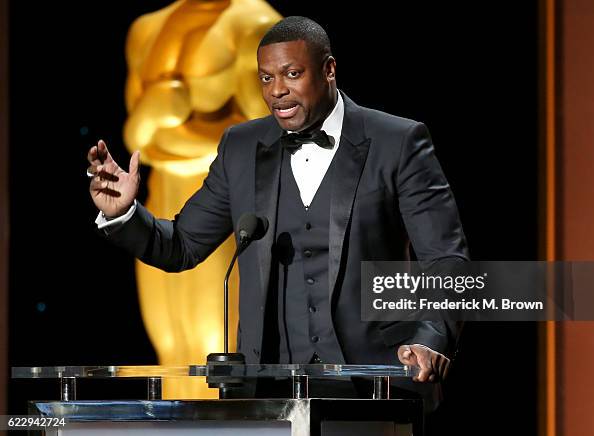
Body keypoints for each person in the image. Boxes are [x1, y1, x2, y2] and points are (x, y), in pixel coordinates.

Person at [87, 16, 468, 410]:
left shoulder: (397, 141)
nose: (278, 91)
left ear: (329, 69)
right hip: (269, 393)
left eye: (292, 73)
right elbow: (181, 245)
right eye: (266, 79)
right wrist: (124, 213)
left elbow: (447, 259)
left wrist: (430, 337)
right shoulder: (241, 146)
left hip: (377, 385)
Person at [121, 0, 281, 399]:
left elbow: (269, 135)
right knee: (169, 341)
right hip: (163, 201)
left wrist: (160, 121)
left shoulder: (254, 26)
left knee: (217, 345)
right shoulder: (147, 28)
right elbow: (135, 136)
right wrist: (155, 116)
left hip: (222, 207)